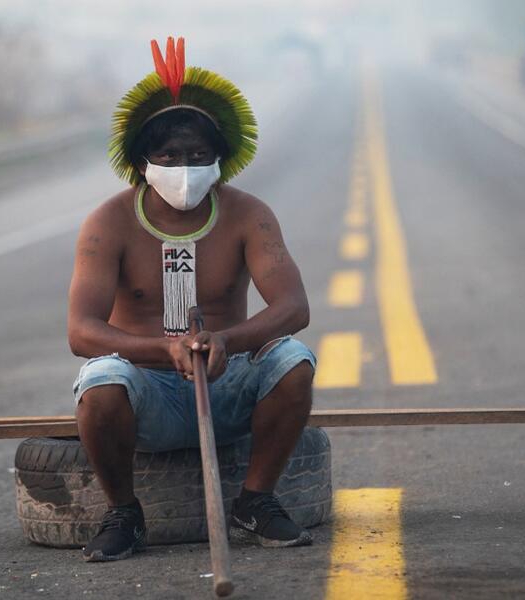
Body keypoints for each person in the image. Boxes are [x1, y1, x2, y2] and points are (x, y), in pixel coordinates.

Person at [67, 37, 316, 562]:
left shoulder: (249, 215)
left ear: (221, 160)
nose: (186, 169)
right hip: (147, 392)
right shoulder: (108, 222)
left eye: (199, 157)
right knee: (101, 379)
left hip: (228, 384)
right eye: (170, 157)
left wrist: (226, 339)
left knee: (294, 360)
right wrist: (163, 348)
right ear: (142, 163)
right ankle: (124, 513)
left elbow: (294, 307)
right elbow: (81, 332)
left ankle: (255, 500)